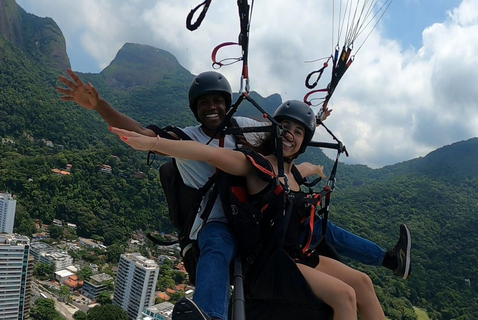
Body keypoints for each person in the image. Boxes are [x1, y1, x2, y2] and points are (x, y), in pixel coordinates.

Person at [56, 69, 410, 320]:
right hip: (219, 219)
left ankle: (387, 260)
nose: (212, 107)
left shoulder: (243, 130)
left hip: (263, 214)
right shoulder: (188, 137)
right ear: (196, 108)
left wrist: (313, 119)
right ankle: (209, 314)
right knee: (216, 245)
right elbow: (148, 135)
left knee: (314, 225)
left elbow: (284, 135)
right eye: (204, 103)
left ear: (228, 104)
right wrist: (101, 107)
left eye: (218, 101)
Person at [108, 100, 387, 319]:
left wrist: (316, 165)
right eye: (286, 127)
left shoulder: (293, 173)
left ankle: (388, 259)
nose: (291, 134)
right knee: (345, 296)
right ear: (274, 129)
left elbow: (302, 168)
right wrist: (154, 144)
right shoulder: (255, 165)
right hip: (270, 261)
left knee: (362, 282)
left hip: (296, 252)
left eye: (299, 131)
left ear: (305, 141)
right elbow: (205, 152)